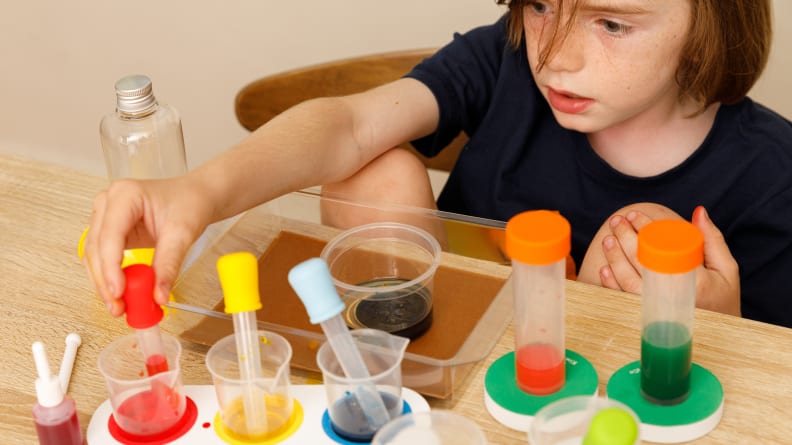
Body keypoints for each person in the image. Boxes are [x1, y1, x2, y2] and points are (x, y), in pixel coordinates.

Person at [83, 0, 792, 328]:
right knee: (375, 166)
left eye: (610, 22)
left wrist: (721, 324)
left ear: (716, 16)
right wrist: (200, 190)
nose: (556, 55)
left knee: (656, 234)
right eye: (542, 4)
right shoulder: (506, 61)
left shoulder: (772, 177)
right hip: (453, 372)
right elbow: (351, 123)